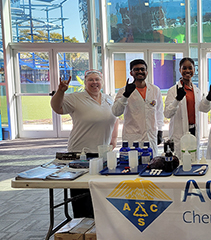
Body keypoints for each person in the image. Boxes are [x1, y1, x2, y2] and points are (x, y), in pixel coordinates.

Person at [50, 69, 118, 217]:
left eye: (97, 79)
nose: (94, 83)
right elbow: (57, 108)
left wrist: (113, 140)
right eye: (91, 80)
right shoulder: (75, 98)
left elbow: (115, 119)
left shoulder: (108, 99)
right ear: (85, 83)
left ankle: (97, 226)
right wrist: (61, 91)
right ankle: (81, 228)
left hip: (102, 153)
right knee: (81, 194)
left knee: (99, 192)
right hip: (80, 153)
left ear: (102, 82)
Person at [112, 59, 164, 154]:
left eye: (142, 69)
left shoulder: (155, 90)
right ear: (131, 73)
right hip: (133, 138)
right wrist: (125, 95)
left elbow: (159, 112)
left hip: (150, 137)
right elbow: (116, 112)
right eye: (136, 69)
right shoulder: (123, 91)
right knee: (133, 165)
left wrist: (160, 131)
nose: (140, 71)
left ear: (146, 72)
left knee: (152, 165)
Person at [164, 57, 201, 158]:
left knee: (193, 160)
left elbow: (201, 109)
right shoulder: (173, 91)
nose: (187, 71)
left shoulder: (197, 91)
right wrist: (177, 99)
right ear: (180, 70)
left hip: (194, 131)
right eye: (184, 68)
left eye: (190, 68)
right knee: (180, 162)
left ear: (194, 70)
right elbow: (167, 114)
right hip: (179, 133)